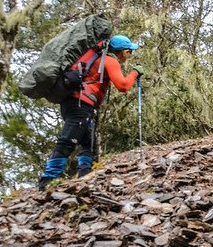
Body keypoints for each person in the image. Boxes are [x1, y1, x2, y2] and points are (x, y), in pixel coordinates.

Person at [38, 34, 144, 190]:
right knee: (68, 140)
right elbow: (123, 86)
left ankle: (85, 177)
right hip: (81, 105)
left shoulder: (96, 59)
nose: (130, 55)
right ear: (123, 51)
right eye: (129, 51)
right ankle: (48, 181)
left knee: (89, 144)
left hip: (74, 104)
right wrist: (135, 72)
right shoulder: (109, 60)